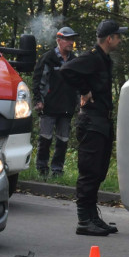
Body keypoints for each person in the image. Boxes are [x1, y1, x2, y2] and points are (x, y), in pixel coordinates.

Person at [60, 19, 128, 236]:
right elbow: (66, 70)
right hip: (91, 122)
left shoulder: (103, 59)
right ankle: (83, 220)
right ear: (110, 39)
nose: (120, 39)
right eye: (118, 36)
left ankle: (93, 217)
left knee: (98, 171)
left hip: (102, 122)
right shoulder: (91, 58)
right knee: (89, 172)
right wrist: (84, 89)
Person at [31, 26, 79, 176]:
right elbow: (38, 81)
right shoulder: (47, 58)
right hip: (48, 106)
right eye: (68, 39)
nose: (71, 42)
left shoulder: (75, 60)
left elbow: (79, 84)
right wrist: (38, 100)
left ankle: (57, 170)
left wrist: (78, 104)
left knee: (63, 140)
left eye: (72, 39)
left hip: (67, 108)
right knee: (45, 139)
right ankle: (42, 169)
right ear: (59, 40)